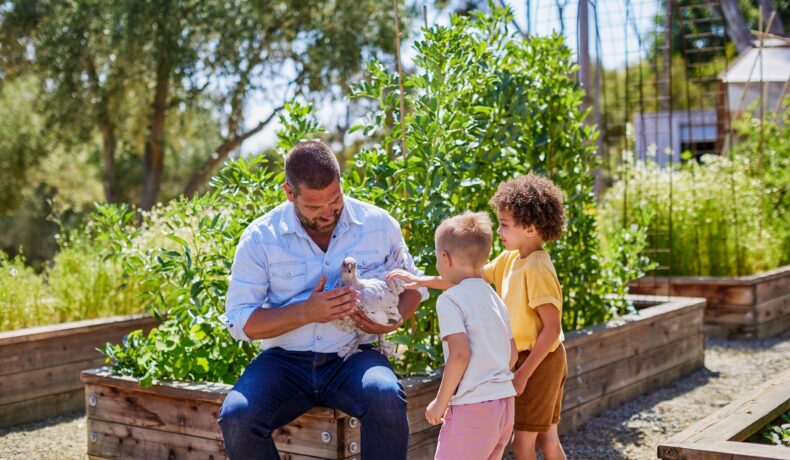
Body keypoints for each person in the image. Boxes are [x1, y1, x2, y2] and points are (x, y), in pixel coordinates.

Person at [218, 140, 428, 460]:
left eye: (335, 200)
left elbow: (414, 285)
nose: (328, 213)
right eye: (314, 208)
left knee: (385, 397)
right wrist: (306, 311)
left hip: (353, 357)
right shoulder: (261, 237)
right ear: (290, 193)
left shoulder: (378, 224)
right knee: (237, 417)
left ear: (341, 182)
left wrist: (393, 320)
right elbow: (240, 320)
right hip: (284, 362)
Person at [389, 173, 568, 460]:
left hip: (541, 360)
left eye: (505, 225)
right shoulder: (510, 259)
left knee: (526, 443)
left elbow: (551, 329)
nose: (499, 231)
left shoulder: (537, 267)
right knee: (545, 438)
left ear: (531, 228)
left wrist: (522, 374)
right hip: (521, 359)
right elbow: (466, 278)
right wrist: (420, 281)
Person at [425, 212, 517, 460]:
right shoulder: (495, 298)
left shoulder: (450, 300)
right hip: (504, 405)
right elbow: (513, 354)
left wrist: (440, 403)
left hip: (473, 408)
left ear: (445, 258)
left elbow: (460, 353)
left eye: (437, 258)